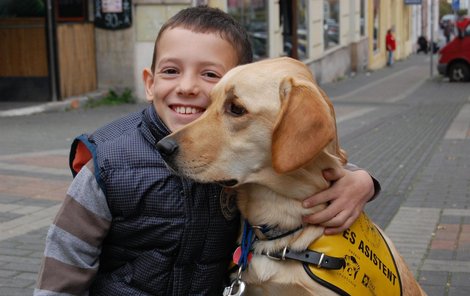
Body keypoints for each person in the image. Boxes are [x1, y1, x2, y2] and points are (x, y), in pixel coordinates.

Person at [34, 5, 379, 295]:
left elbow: (305, 159)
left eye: (210, 74)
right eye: (171, 71)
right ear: (150, 83)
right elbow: (67, 258)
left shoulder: (238, 154)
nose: (186, 87)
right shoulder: (109, 162)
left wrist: (362, 182)